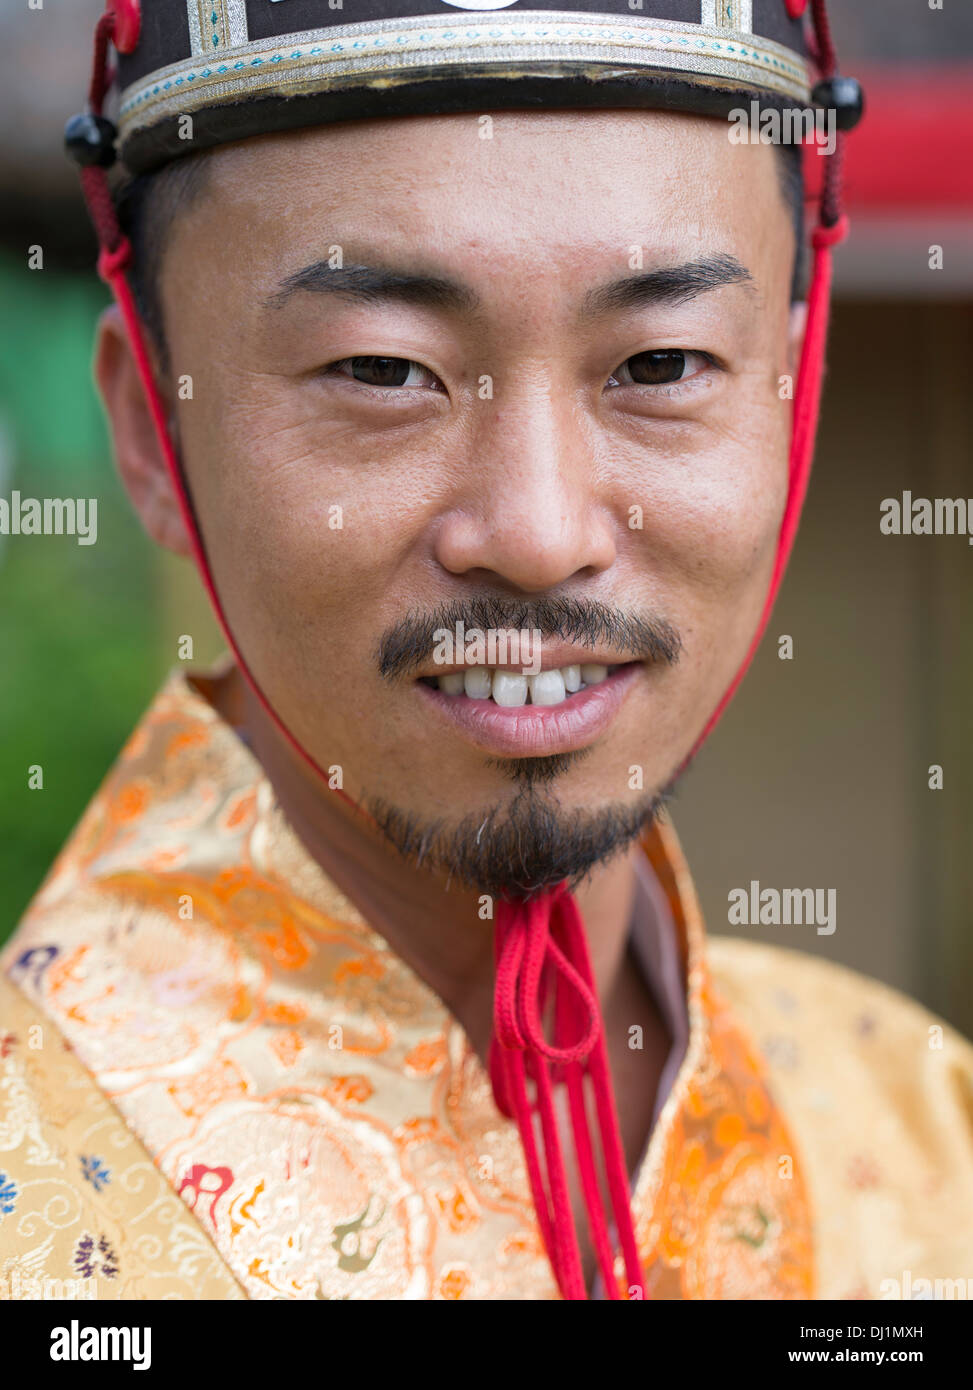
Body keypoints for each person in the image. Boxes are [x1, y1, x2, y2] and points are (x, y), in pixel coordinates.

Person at [1, 0, 971, 1301]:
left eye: (663, 361)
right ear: (148, 434)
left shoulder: (919, 1128)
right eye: (384, 371)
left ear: (793, 388)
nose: (535, 531)